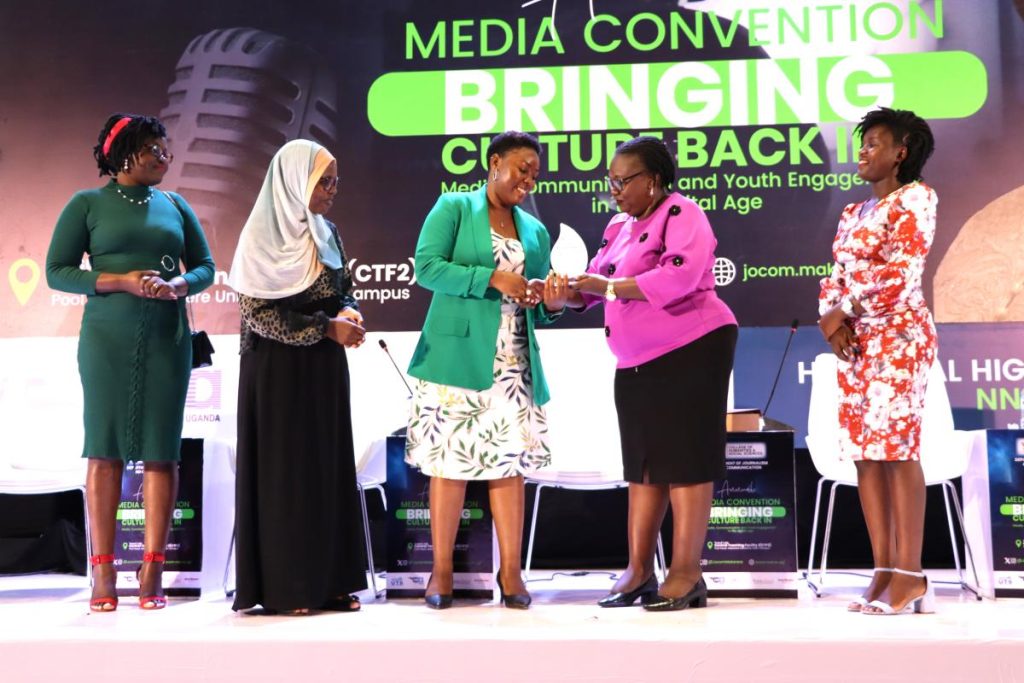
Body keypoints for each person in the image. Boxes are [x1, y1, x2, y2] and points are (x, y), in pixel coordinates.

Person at [45, 113, 215, 611]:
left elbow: (205, 267)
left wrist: (177, 285)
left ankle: (152, 571)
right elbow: (57, 272)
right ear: (126, 153)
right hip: (106, 341)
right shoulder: (87, 204)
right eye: (155, 151)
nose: (166, 158)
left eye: (166, 150)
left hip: (168, 338)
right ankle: (102, 573)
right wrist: (119, 281)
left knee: (162, 452)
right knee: (105, 451)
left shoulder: (176, 205)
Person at [561, 136, 737, 611]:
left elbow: (679, 274)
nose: (614, 189)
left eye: (623, 180)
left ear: (654, 180)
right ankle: (639, 571)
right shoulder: (619, 225)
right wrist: (566, 292)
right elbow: (597, 284)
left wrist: (608, 287)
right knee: (642, 466)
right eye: (610, 181)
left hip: (692, 346)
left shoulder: (683, 214)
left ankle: (685, 573)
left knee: (685, 460)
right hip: (635, 359)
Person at [406, 131, 566, 609]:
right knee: (449, 468)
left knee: (510, 467)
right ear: (494, 162)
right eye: (521, 168)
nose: (528, 179)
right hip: (456, 358)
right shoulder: (453, 208)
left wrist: (552, 302)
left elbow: (536, 302)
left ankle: (512, 575)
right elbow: (426, 267)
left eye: (535, 173)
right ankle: (441, 575)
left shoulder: (534, 231)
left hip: (515, 361)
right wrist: (492, 277)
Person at [228, 139, 367, 615]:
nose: (331, 191)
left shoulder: (327, 232)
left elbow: (343, 290)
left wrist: (348, 313)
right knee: (285, 478)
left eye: (335, 182)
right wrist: (326, 328)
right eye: (322, 181)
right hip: (276, 374)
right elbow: (259, 315)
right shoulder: (258, 239)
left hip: (324, 370)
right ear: (293, 182)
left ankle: (330, 581)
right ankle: (287, 588)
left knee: (326, 472)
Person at [818, 107, 938, 616]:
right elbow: (836, 275)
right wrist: (832, 316)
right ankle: (883, 569)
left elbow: (900, 275)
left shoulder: (917, 198)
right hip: (857, 341)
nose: (862, 152)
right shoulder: (852, 213)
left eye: (873, 143)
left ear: (901, 152)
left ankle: (911, 574)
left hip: (900, 337)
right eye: (861, 143)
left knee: (896, 450)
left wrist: (844, 310)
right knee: (866, 455)